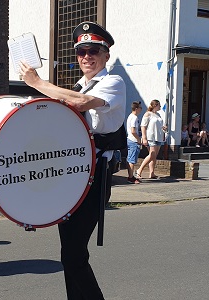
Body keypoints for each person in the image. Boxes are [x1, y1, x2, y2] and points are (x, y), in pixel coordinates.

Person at [19, 21, 125, 299]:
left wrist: (39, 83)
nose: (86, 57)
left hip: (96, 175)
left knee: (75, 253)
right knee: (69, 252)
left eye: (93, 51)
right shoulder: (78, 85)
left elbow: (80, 103)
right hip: (72, 175)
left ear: (106, 55)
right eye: (81, 52)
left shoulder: (113, 82)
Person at [136, 99, 166, 180]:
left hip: (158, 136)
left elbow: (159, 125)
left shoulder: (158, 115)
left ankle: (152, 173)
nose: (160, 106)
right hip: (151, 137)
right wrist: (144, 137)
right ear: (155, 105)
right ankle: (139, 170)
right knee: (152, 154)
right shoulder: (148, 114)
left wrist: (163, 129)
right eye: (159, 105)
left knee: (154, 156)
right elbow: (143, 126)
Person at [126, 101, 142, 184]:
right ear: (136, 109)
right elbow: (133, 131)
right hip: (133, 140)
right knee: (132, 160)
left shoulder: (130, 116)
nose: (141, 109)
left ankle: (131, 176)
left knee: (130, 159)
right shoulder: (134, 118)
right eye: (140, 108)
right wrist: (138, 139)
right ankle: (131, 177)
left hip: (129, 139)